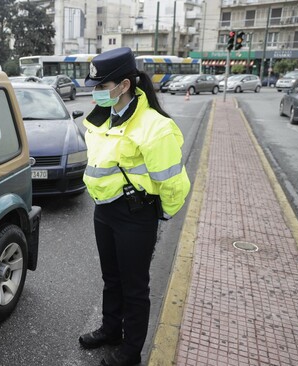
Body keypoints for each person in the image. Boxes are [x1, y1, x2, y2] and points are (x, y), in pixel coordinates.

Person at [78, 47, 191, 366]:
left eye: (101, 87)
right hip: (105, 211)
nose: (96, 94)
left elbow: (172, 181)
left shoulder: (154, 127)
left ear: (123, 85)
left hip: (136, 215)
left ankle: (131, 352)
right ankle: (111, 329)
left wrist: (161, 213)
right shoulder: (101, 117)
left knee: (134, 286)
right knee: (111, 278)